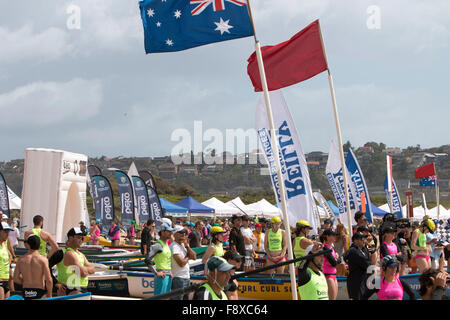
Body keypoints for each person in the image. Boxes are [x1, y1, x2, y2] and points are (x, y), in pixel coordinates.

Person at [54, 228, 95, 295]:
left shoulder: (81, 254)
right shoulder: (67, 253)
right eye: (79, 238)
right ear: (70, 238)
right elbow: (83, 273)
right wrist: (56, 283)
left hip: (81, 288)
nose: (81, 240)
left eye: (82, 238)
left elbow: (93, 269)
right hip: (71, 289)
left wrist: (83, 269)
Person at [13, 235, 53, 300]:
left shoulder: (21, 260)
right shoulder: (43, 260)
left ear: (28, 244)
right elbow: (49, 280)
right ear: (39, 245)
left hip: (26, 292)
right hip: (39, 291)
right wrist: (50, 295)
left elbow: (15, 278)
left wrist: (25, 282)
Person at [145, 223, 174, 296]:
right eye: (168, 231)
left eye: (171, 231)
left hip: (167, 275)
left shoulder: (166, 244)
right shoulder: (158, 245)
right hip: (161, 276)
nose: (170, 233)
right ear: (162, 232)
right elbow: (147, 259)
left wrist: (170, 271)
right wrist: (156, 273)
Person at [170, 225, 196, 300]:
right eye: (181, 232)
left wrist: (187, 246)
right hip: (178, 278)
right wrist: (188, 256)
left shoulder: (182, 245)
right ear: (175, 234)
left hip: (186, 277)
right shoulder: (174, 246)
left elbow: (194, 257)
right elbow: (181, 263)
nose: (183, 234)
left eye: (184, 233)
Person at [344, 232, 373, 300]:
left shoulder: (363, 250)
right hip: (356, 283)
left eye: (364, 238)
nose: (364, 240)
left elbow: (369, 263)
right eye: (362, 239)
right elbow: (366, 264)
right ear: (355, 241)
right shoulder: (353, 251)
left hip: (363, 282)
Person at [321, 229, 341, 300]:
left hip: (333, 275)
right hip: (327, 275)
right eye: (333, 235)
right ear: (327, 236)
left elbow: (338, 260)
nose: (335, 237)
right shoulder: (324, 248)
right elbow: (334, 263)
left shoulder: (332, 248)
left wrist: (336, 260)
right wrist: (336, 259)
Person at [0, 222, 13, 300]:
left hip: (6, 281)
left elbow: (10, 256)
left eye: (8, 232)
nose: (7, 234)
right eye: (5, 231)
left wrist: (7, 264)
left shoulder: (4, 244)